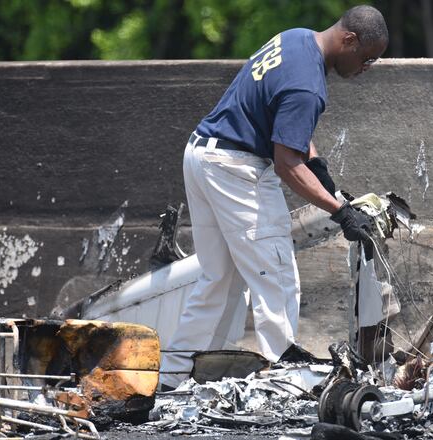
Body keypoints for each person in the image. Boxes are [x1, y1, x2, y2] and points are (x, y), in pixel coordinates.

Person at [160, 5, 388, 389]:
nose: (366, 68)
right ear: (349, 40)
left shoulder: (296, 37)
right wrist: (341, 211)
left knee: (219, 279)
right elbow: (286, 164)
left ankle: (173, 380)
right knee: (277, 275)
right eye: (366, 58)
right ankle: (280, 381)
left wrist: (320, 169)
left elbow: (289, 129)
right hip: (235, 166)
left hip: (201, 153)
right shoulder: (309, 87)